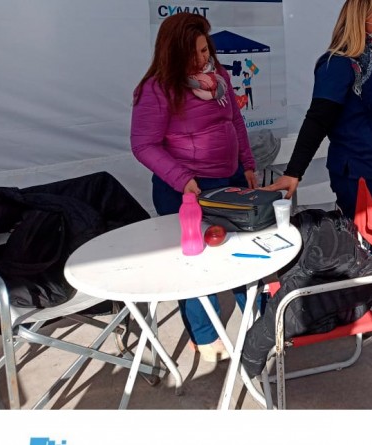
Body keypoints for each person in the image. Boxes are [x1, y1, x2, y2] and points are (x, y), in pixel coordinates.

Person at [261, 0, 372, 313]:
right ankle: (359, 306)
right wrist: (294, 172)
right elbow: (318, 119)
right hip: (358, 168)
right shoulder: (338, 64)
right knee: (364, 240)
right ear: (359, 20)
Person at [130, 12, 257, 362]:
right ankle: (204, 335)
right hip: (187, 190)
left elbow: (235, 122)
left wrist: (247, 164)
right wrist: (181, 178)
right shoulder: (156, 90)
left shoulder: (219, 79)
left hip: (229, 179)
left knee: (241, 253)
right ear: (173, 53)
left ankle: (260, 321)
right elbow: (143, 145)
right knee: (196, 264)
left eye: (205, 50)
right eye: (194, 53)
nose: (202, 59)